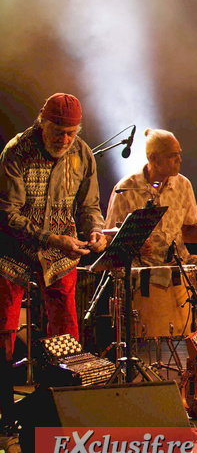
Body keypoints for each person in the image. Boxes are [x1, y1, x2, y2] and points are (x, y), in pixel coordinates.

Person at [1, 93, 106, 420]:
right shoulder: (17, 152)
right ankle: (5, 413)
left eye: (71, 132)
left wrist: (96, 231)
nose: (65, 139)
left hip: (60, 254)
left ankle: (62, 407)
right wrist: (53, 239)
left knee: (65, 329)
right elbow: (9, 215)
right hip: (13, 252)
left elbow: (89, 207)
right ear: (41, 122)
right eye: (58, 131)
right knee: (4, 328)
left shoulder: (82, 154)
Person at [104, 129, 197, 266]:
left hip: (180, 262)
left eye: (179, 154)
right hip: (143, 268)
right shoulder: (125, 188)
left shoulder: (183, 184)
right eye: (173, 156)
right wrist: (132, 245)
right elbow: (109, 238)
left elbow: (187, 232)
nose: (179, 159)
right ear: (153, 158)